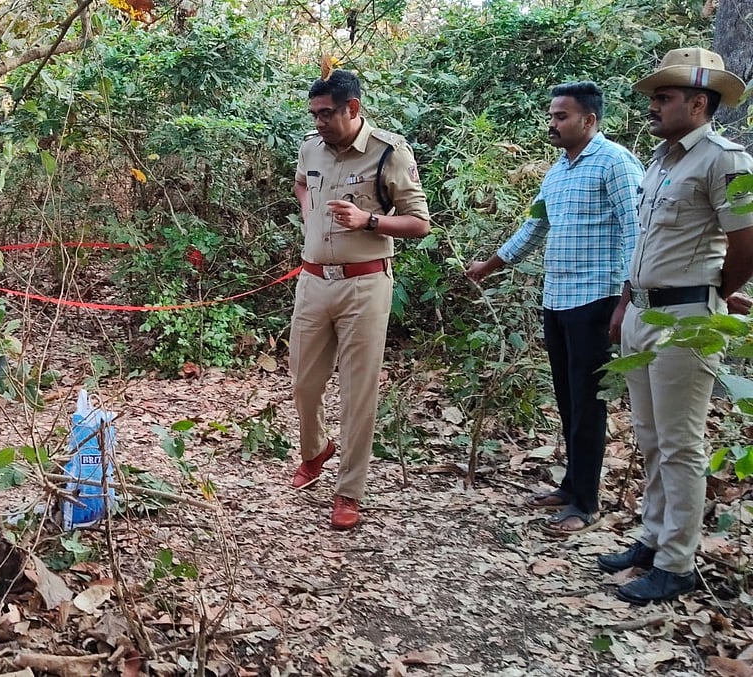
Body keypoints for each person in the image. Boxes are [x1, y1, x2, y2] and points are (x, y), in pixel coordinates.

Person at [598, 48, 753, 604]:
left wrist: (709, 296)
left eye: (663, 98)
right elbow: (644, 244)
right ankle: (652, 537)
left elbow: (745, 246)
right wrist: (624, 305)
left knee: (682, 442)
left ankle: (677, 562)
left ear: (698, 102)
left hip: (686, 317)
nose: (653, 107)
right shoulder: (661, 161)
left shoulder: (725, 160)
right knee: (650, 436)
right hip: (643, 309)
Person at [466, 81, 643, 535]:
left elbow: (637, 234)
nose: (552, 124)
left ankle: (586, 502)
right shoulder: (558, 172)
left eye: (561, 116)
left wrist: (627, 300)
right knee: (567, 396)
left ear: (589, 119)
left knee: (588, 399)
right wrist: (490, 264)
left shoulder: (615, 163)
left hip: (597, 298)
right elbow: (535, 227)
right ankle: (570, 486)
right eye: (551, 116)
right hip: (558, 298)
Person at [288, 69, 431, 530]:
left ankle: (349, 491)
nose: (319, 122)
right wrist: (311, 217)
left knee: (357, 393)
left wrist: (368, 221)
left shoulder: (389, 152)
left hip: (364, 285)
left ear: (353, 108)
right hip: (313, 282)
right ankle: (316, 450)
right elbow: (302, 184)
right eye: (314, 114)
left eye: (326, 113)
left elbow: (419, 223)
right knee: (303, 383)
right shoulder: (311, 146)